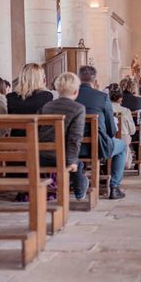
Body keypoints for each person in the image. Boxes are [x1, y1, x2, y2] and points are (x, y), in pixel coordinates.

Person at [76, 66, 127, 200]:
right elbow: (110, 130)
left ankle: (78, 179)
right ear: (95, 79)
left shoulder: (72, 96)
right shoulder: (102, 97)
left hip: (74, 148)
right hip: (99, 146)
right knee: (122, 146)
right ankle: (114, 187)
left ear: (78, 78)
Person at [39, 72, 89, 201]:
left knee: (77, 163)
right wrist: (71, 161)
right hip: (60, 157)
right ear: (76, 91)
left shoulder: (46, 106)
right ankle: (79, 192)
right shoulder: (78, 108)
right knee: (78, 164)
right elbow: (75, 138)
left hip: (41, 155)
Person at [109, 84, 136, 168]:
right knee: (125, 140)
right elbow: (132, 131)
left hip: (108, 139)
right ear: (120, 98)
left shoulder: (105, 109)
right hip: (123, 138)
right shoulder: (126, 111)